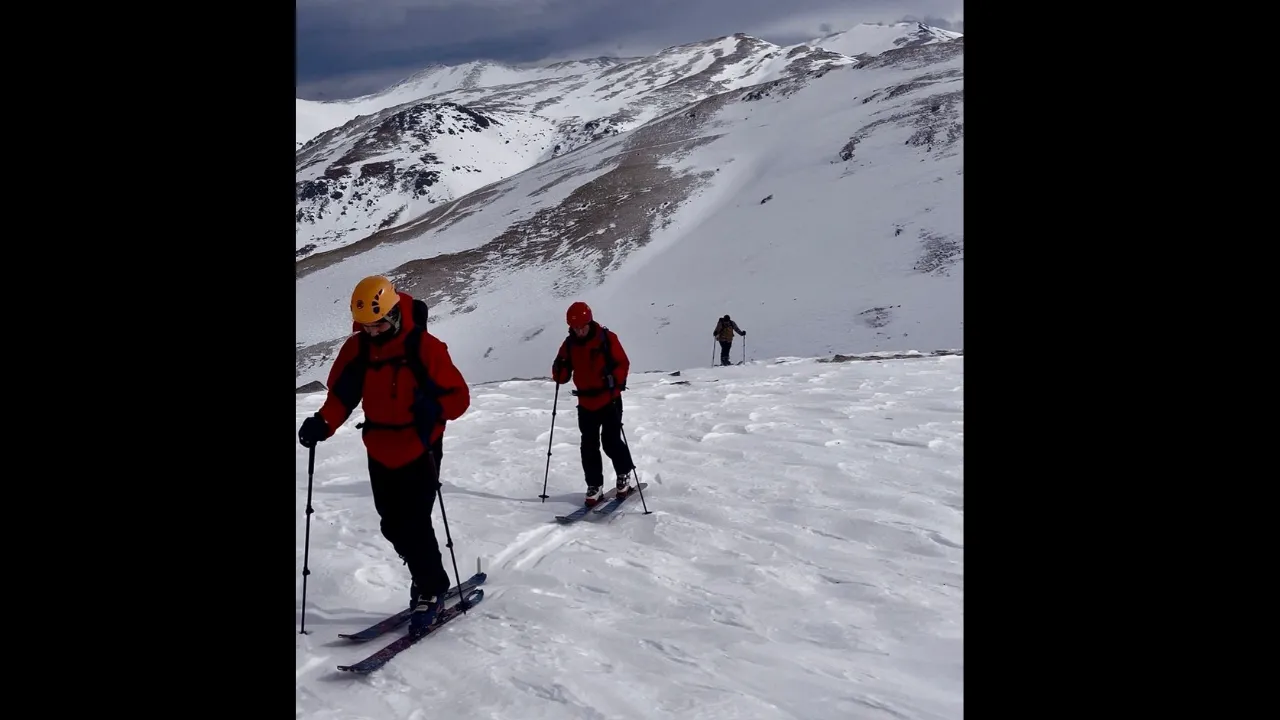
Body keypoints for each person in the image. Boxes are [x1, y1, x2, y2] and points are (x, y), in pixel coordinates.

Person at [297, 275, 471, 636]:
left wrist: (432, 408)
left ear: (392, 314)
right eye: (365, 327)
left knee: (415, 521)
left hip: (421, 445)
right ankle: (423, 577)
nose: (372, 333)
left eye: (377, 325)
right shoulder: (358, 348)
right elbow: (343, 396)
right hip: (379, 446)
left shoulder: (425, 348)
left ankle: (431, 587)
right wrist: (322, 424)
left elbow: (459, 398)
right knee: (391, 524)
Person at [551, 301, 636, 506]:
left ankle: (624, 473)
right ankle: (594, 485)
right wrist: (559, 369)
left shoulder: (607, 338)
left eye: (582, 327)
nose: (579, 331)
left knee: (611, 440)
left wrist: (615, 379)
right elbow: (561, 375)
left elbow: (622, 363)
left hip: (609, 399)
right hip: (585, 402)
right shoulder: (569, 344)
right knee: (588, 445)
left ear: (589, 322)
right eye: (575, 328)